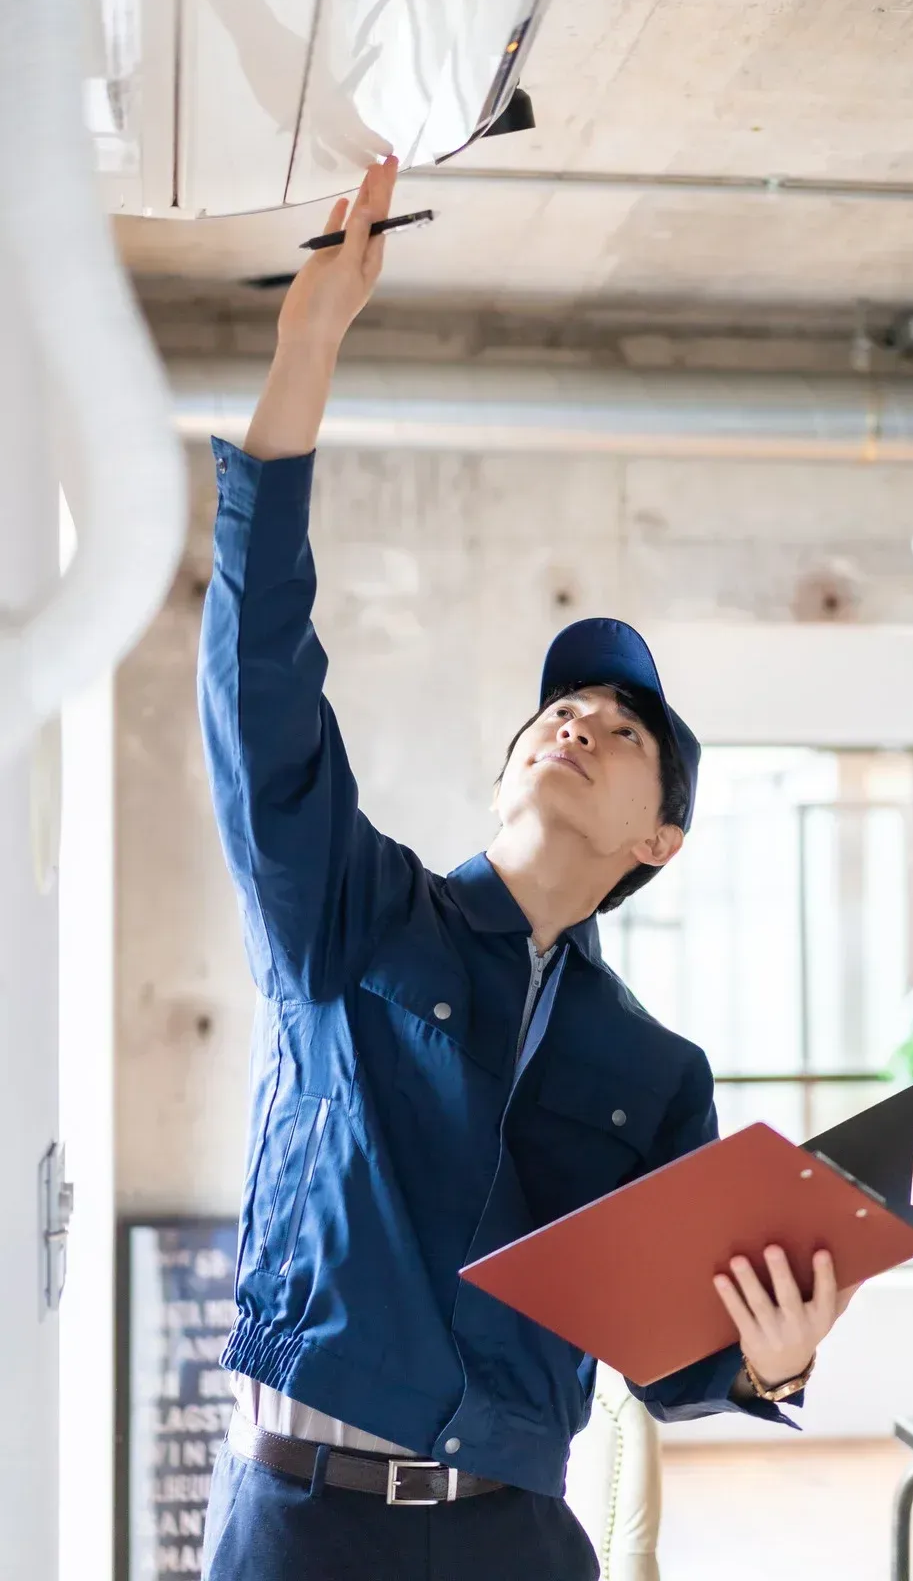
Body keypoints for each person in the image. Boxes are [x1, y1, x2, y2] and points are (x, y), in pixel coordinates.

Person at [196, 156, 858, 1581]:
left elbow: (670, 1360)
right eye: (558, 710)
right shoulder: (352, 918)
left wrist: (767, 1365)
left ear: (654, 841)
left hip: (514, 1541)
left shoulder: (651, 1070)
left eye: (621, 732)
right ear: (507, 765)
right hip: (292, 1523)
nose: (578, 722)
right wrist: (305, 349)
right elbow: (259, 687)